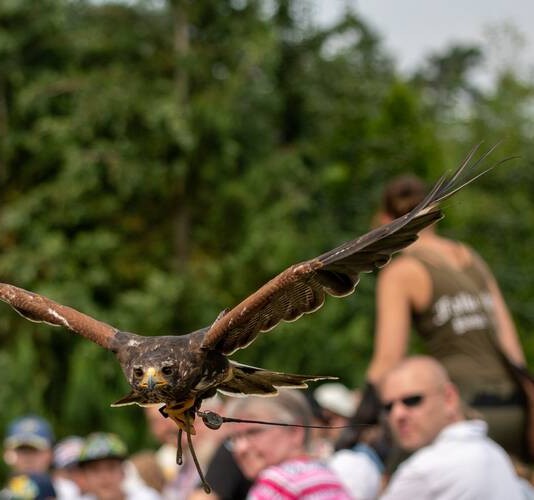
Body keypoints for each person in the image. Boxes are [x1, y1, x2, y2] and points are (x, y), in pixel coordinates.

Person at [346, 174, 531, 461]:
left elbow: (388, 360)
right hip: (513, 408)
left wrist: (354, 425)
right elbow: (512, 348)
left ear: (384, 220)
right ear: (434, 214)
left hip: (463, 413)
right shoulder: (470, 257)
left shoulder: (402, 272)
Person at [380, 356, 524, 499]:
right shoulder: (494, 452)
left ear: (449, 398)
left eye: (412, 400)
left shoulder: (423, 471)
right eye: (388, 407)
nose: (397, 414)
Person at [226, 391, 351, 500]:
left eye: (253, 432)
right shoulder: (327, 476)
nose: (240, 448)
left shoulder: (278, 483)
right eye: (234, 438)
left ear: (295, 431)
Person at [78, 432, 160, 500]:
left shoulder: (146, 497)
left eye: (111, 467)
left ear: (123, 471)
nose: (104, 476)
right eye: (95, 470)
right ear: (85, 476)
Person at [0, 414, 56, 500]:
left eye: (35, 451)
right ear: (7, 454)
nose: (28, 459)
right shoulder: (3, 496)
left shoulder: (71, 494)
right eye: (21, 451)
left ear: (50, 454)